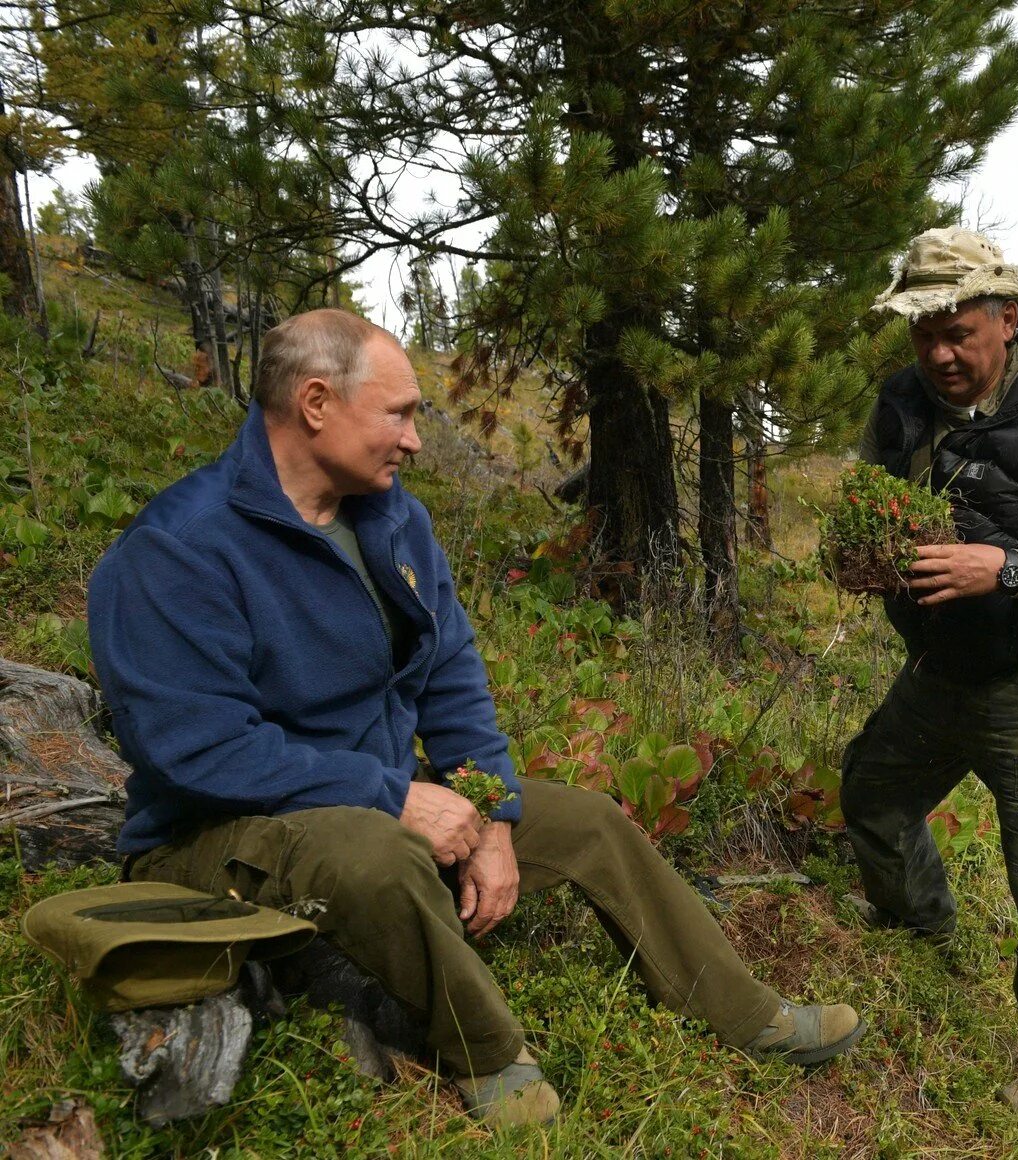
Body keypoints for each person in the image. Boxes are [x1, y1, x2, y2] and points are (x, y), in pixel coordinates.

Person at [87, 309, 862, 1130]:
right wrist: (393, 797)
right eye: (399, 413)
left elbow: (451, 679)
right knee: (375, 853)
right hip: (213, 834)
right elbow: (195, 750)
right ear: (315, 403)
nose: (415, 440)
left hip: (366, 801)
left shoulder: (391, 519)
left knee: (589, 821)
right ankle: (491, 1058)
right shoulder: (178, 549)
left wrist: (490, 816)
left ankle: (747, 1013)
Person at [843, 228, 1018, 1121]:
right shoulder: (901, 402)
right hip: (938, 668)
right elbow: (867, 497)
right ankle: (918, 925)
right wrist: (862, 554)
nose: (938, 353)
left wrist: (1001, 568)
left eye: (957, 331)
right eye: (921, 333)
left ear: (1006, 317)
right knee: (874, 791)